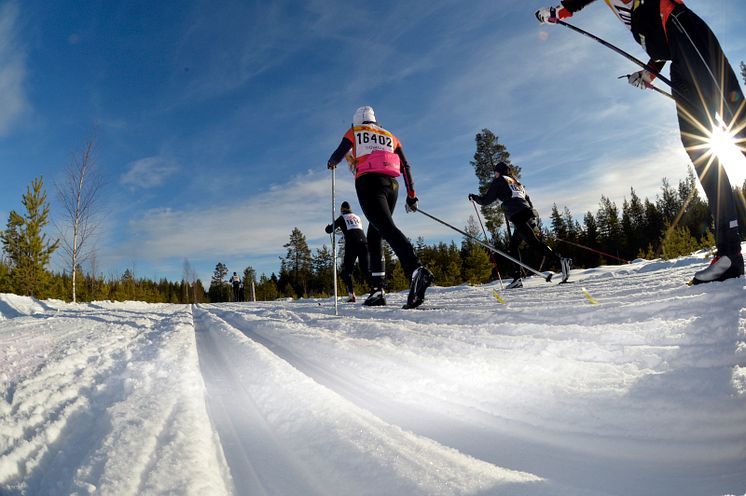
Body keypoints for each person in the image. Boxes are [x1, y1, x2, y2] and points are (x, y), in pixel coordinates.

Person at [535, 0, 744, 284]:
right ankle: (729, 253)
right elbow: (659, 46)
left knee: (737, 122)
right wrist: (649, 72)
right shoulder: (634, 19)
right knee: (698, 145)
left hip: (687, 32)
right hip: (676, 59)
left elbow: (664, 25)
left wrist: (564, 9)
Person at [327, 106, 433, 308]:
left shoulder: (355, 132)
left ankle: (416, 270)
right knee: (375, 234)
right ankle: (377, 289)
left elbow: (339, 153)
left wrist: (332, 162)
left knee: (385, 227)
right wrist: (412, 196)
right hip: (392, 185)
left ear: (357, 121)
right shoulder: (390, 136)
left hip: (369, 183)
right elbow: (406, 166)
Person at [468, 161, 570, 288]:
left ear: (499, 171)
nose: (494, 174)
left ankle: (560, 261)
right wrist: (534, 222)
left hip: (518, 215)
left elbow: (486, 200)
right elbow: (528, 200)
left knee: (533, 243)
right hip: (528, 213)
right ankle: (517, 279)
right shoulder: (516, 182)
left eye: (495, 172)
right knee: (513, 245)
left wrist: (474, 197)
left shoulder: (499, 181)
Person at [325, 201, 370, 302]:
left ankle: (351, 294)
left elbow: (329, 230)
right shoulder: (357, 217)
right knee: (366, 269)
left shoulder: (343, 218)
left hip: (352, 244)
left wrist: (329, 226)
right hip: (364, 243)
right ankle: (375, 289)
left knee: (348, 270)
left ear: (342, 210)